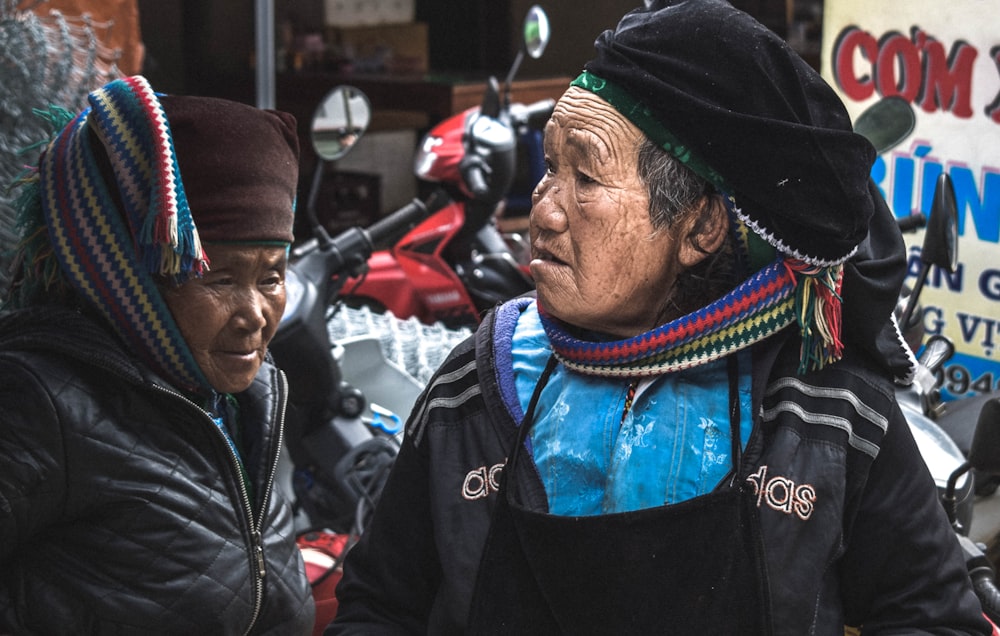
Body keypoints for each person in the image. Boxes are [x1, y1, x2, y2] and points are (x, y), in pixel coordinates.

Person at [328, 1, 993, 635]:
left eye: (585, 179)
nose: (544, 209)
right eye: (549, 167)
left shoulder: (824, 415)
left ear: (700, 226)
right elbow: (378, 606)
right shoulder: (476, 387)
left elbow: (933, 619)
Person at [0, 75, 315, 634]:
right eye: (218, 279)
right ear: (126, 274)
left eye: (271, 278)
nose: (254, 314)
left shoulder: (251, 397)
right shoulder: (37, 401)